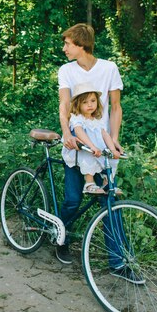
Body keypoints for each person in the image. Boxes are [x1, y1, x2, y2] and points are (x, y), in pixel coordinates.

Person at [56, 23, 128, 273]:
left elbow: (116, 106)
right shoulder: (66, 70)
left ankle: (119, 263)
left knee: (109, 203)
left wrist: (115, 138)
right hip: (78, 145)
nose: (64, 48)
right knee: (73, 200)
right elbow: (64, 105)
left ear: (80, 45)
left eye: (67, 43)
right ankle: (60, 236)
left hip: (102, 146)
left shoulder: (109, 68)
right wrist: (67, 132)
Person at [62, 82, 121, 195]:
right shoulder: (77, 118)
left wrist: (113, 149)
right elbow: (79, 132)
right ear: (78, 104)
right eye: (85, 102)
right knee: (88, 157)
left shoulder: (97, 119)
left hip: (97, 148)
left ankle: (107, 182)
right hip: (84, 148)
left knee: (112, 158)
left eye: (93, 101)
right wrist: (92, 146)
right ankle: (89, 183)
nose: (90, 105)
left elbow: (105, 134)